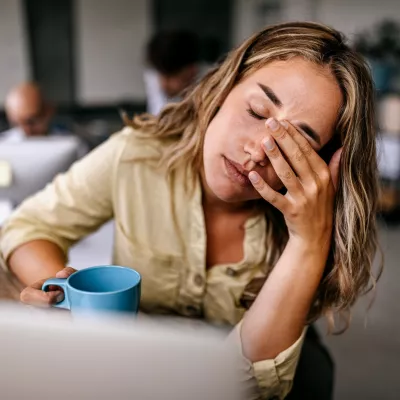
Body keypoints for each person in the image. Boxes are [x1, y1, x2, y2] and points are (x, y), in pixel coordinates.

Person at [0, 22, 381, 399]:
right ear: (222, 88)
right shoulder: (138, 155)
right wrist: (71, 302)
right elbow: (28, 226)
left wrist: (308, 241)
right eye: (256, 110)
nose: (256, 152)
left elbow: (251, 386)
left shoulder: (305, 222)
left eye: (294, 144)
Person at [144, 30, 206, 115]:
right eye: (161, 76)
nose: (163, 85)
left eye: (170, 77)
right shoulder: (154, 75)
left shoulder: (208, 85)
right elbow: (158, 116)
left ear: (192, 71)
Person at [1, 82, 67, 142]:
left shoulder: (66, 143)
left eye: (30, 122)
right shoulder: (4, 144)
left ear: (49, 112)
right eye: (16, 124)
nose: (24, 131)